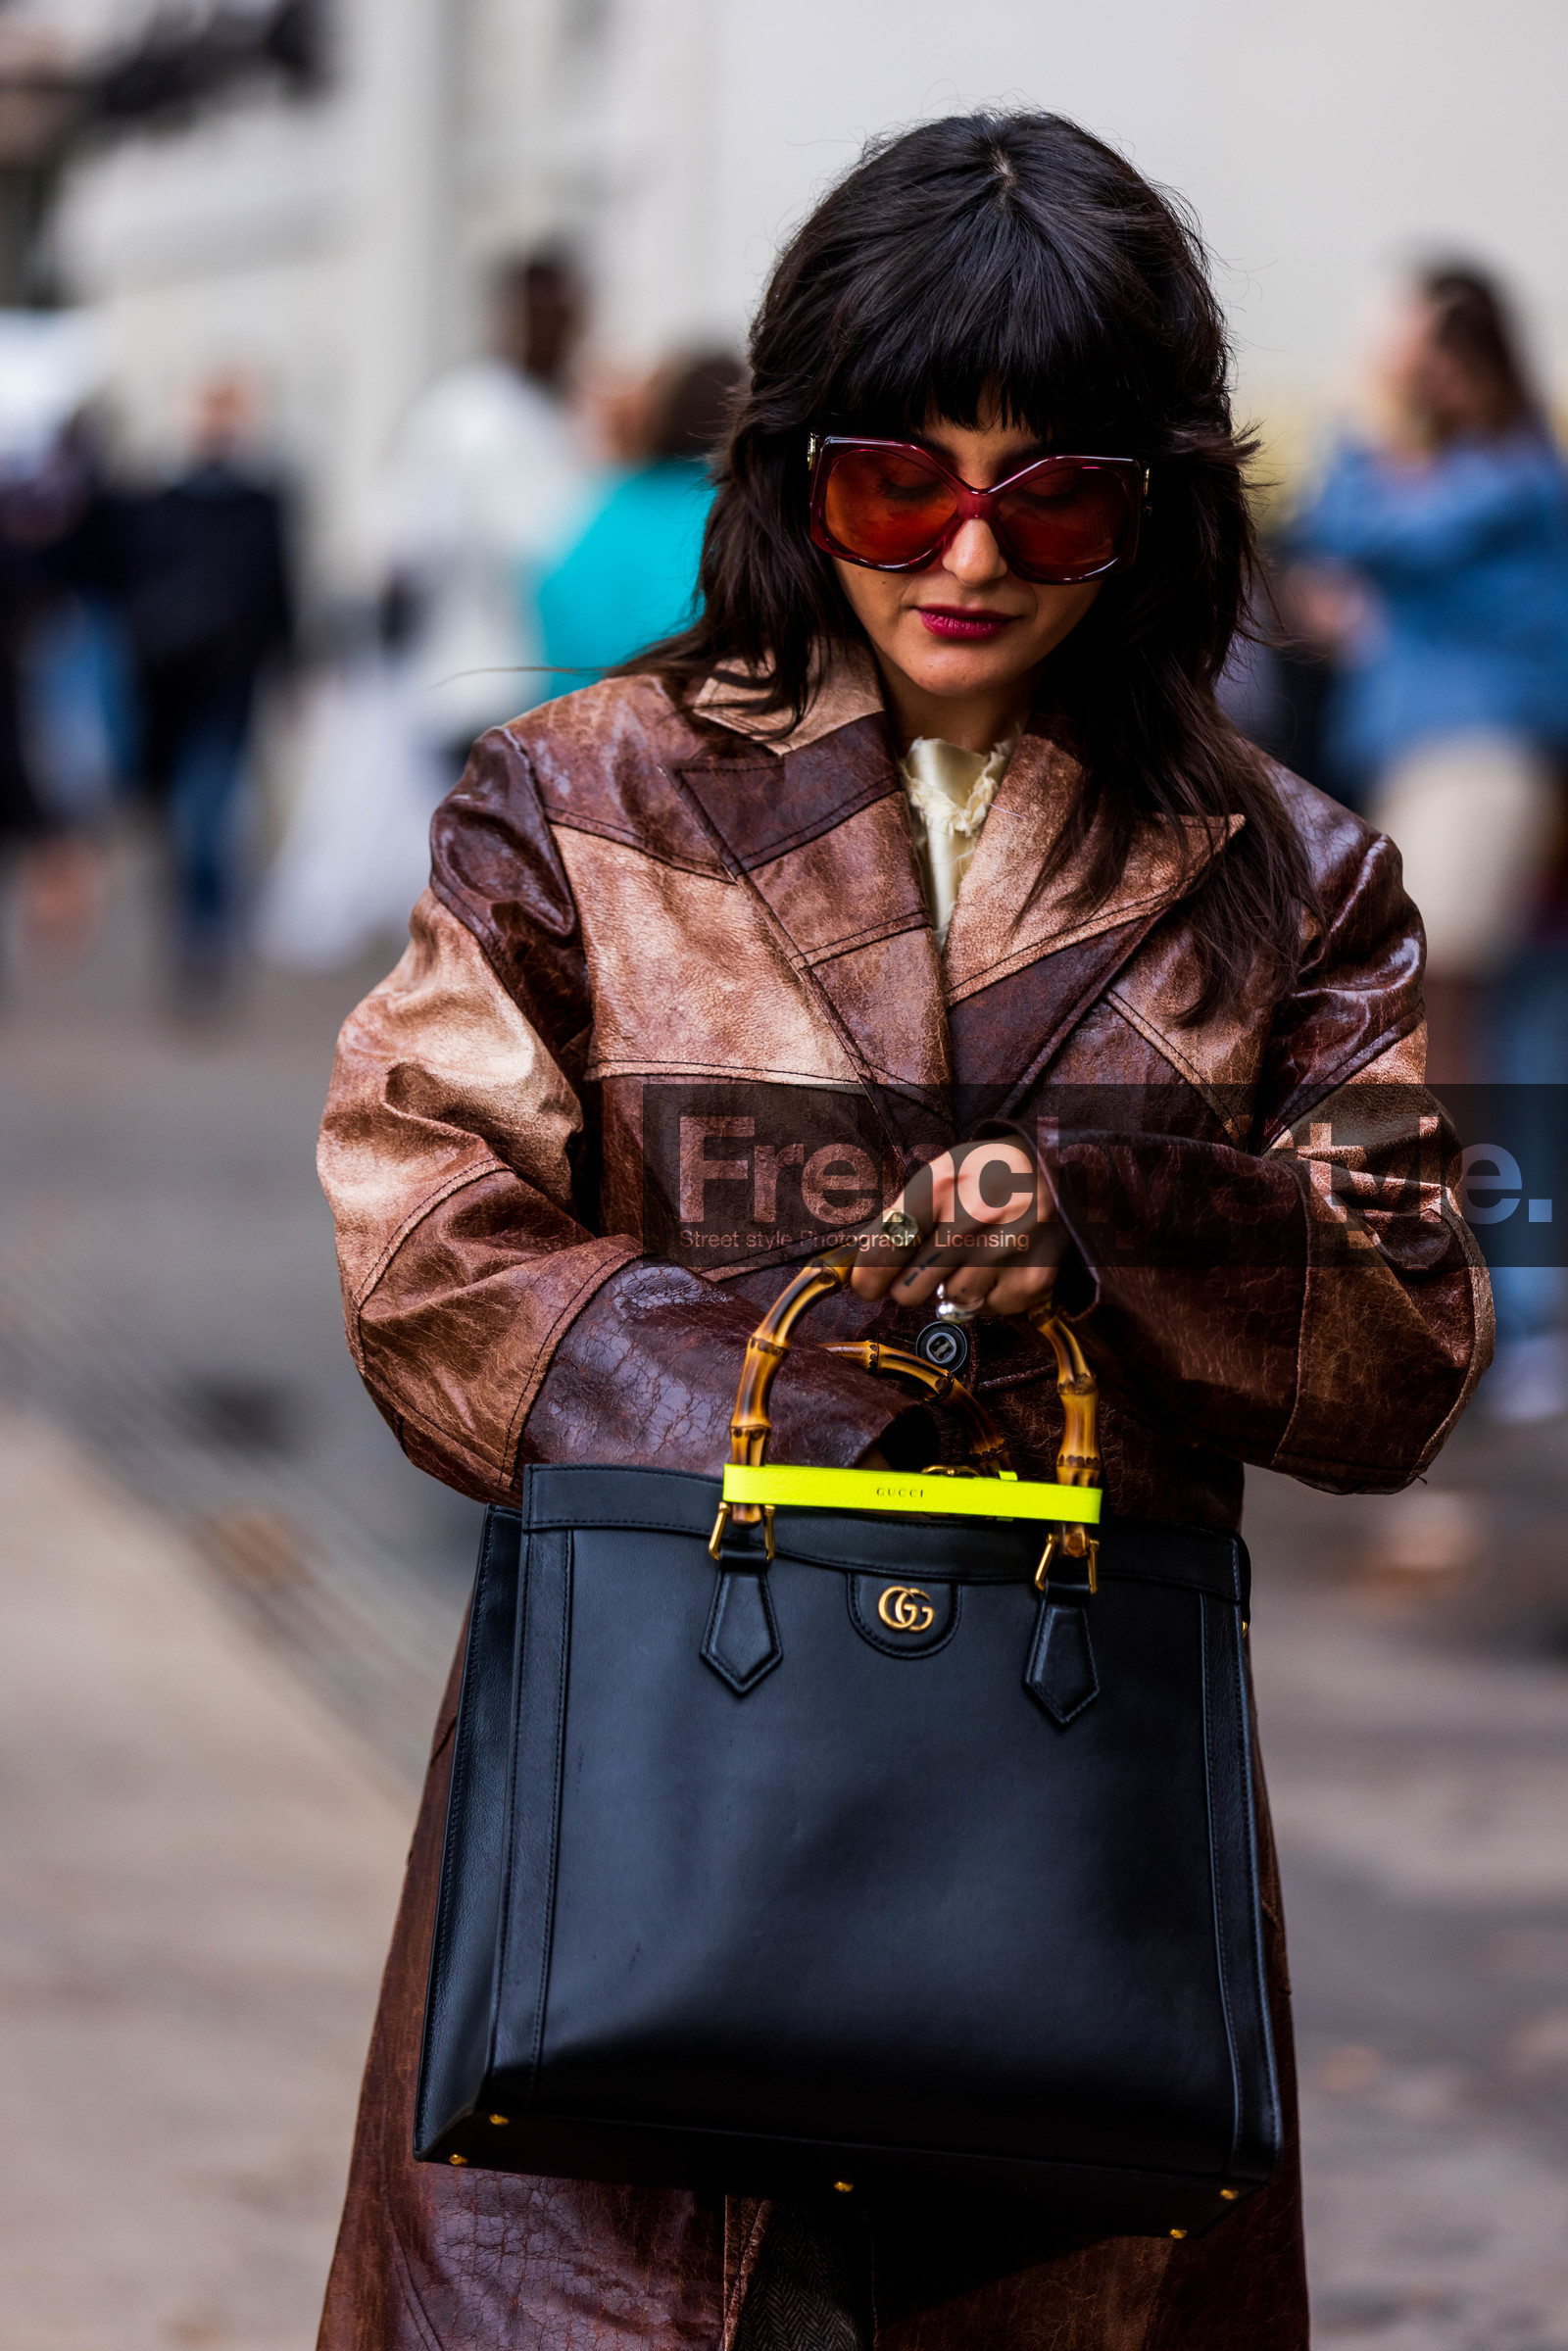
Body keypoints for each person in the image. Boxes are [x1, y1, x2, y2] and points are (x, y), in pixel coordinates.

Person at [317, 114, 1489, 2349]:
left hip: (1062, 1866)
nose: (965, 551)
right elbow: (421, 1224)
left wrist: (1116, 1228)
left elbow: (1405, 1331)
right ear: (793, 469)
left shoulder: (1292, 881)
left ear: (1152, 505)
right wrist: (779, 1415)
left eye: (1045, 496)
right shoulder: (582, 799)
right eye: (894, 483)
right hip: (645, 1813)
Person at [1293, 267, 1568, 1083]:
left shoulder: (1513, 474)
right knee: (1425, 1007)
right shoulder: (1458, 471)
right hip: (1431, 761)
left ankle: (1455, 1172)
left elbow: (1355, 529)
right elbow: (1327, 534)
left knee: (1437, 1001)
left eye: (1438, 354)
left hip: (1474, 760)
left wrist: (1373, 394)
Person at [116, 367, 294, 993]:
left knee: (209, 811)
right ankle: (196, 922)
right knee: (180, 814)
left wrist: (287, 666)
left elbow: (279, 591)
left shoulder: (260, 502)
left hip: (228, 682)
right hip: (165, 687)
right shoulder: (156, 501)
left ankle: (206, 931)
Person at [380, 251, 588, 771]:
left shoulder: (566, 413)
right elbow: (409, 540)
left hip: (548, 687)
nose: (562, 334)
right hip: (475, 682)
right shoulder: (468, 413)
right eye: (547, 316)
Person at [536, 349, 744, 677]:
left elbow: (555, 598)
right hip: (695, 699)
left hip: (586, 697)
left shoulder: (611, 503)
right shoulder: (741, 515)